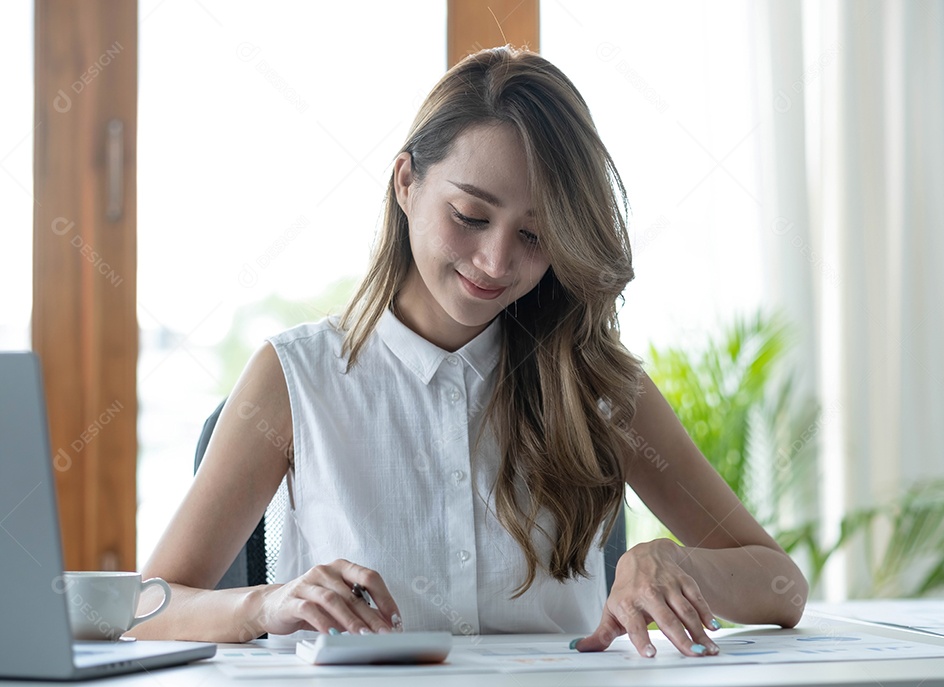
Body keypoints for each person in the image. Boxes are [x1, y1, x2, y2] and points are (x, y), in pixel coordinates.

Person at [134, 46, 807, 658]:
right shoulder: (298, 376)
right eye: (470, 216)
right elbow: (147, 605)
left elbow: (782, 586)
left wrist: (684, 564)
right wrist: (269, 602)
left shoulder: (595, 381)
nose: (495, 261)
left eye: (535, 236)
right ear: (406, 182)